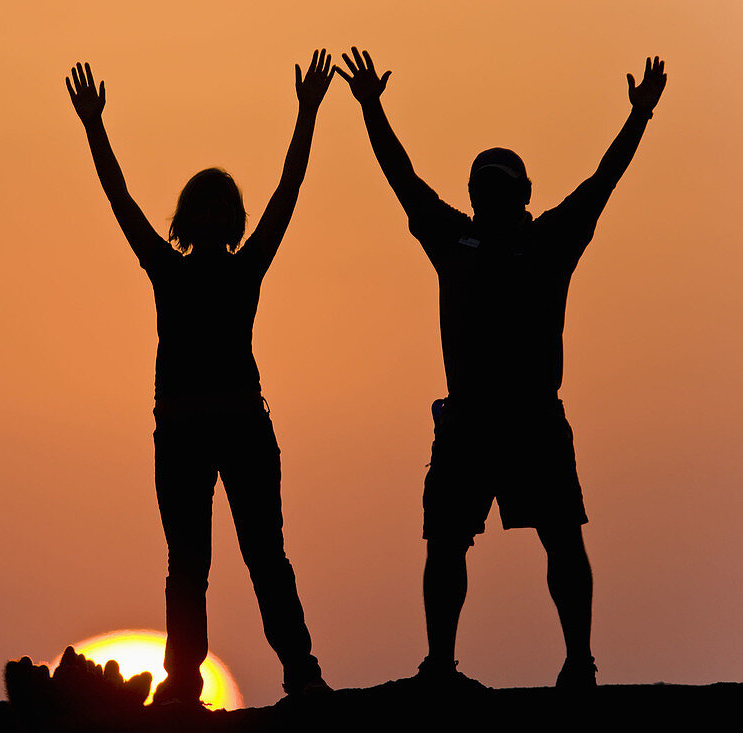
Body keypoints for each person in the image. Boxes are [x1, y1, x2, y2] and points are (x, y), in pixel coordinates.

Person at [337, 48, 667, 689]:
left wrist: (640, 118)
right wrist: (372, 109)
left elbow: (604, 181)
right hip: (469, 420)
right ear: (474, 194)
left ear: (521, 195)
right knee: (447, 543)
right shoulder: (454, 238)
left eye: (500, 184)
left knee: (561, 538)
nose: (489, 193)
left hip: (533, 419)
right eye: (482, 185)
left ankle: (578, 661)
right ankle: (441, 664)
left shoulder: (548, 240)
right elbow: (401, 178)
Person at [65, 51, 337, 705]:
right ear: (186, 222)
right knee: (188, 564)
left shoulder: (247, 268)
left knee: (265, 556)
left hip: (243, 424)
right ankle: (182, 681)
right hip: (182, 430)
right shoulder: (167, 268)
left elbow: (287, 193)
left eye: (224, 209)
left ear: (234, 221)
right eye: (203, 209)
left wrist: (307, 114)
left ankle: (301, 671)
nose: (215, 217)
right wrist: (93, 125)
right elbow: (119, 199)